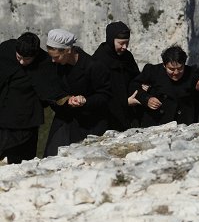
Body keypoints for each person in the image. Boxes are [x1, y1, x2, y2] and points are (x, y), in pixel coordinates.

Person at [44, 28, 112, 157]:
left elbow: (105, 95)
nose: (53, 60)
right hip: (63, 122)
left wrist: (85, 101)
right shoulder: (55, 65)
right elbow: (51, 91)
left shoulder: (93, 66)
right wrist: (66, 100)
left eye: (56, 57)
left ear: (68, 51)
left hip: (89, 124)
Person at [0, 33, 66, 163]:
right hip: (2, 117)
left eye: (27, 59)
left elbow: (50, 91)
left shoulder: (44, 64)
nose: (22, 62)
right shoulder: (5, 50)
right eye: (19, 57)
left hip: (26, 120)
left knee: (22, 160)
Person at [130, 46, 199, 127]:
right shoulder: (153, 71)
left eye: (180, 68)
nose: (176, 72)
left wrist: (198, 89)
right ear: (164, 65)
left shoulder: (192, 73)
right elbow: (133, 85)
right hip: (157, 122)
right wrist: (147, 99)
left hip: (183, 123)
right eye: (171, 69)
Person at [92, 21, 141, 131]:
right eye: (121, 43)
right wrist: (125, 102)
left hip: (129, 115)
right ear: (111, 40)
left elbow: (135, 77)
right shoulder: (99, 60)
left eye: (127, 43)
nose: (124, 47)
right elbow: (99, 94)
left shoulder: (127, 56)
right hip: (109, 118)